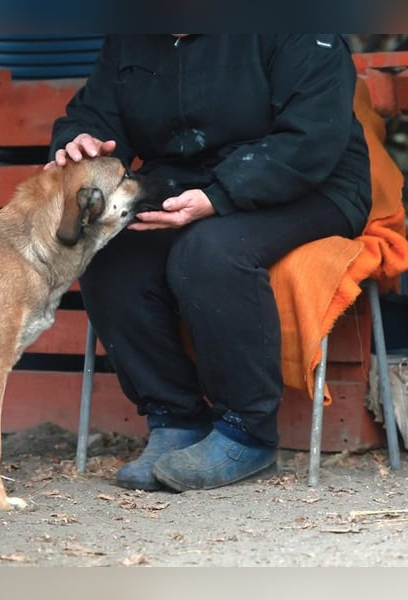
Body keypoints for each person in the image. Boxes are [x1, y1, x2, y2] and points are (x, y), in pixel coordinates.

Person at [47, 34, 371, 492]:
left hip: (310, 183)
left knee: (208, 253)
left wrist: (220, 196)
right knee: (109, 252)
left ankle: (247, 433)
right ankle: (175, 421)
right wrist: (75, 139)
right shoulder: (133, 35)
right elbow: (94, 113)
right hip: (183, 182)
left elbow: (312, 136)